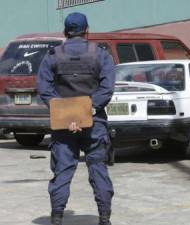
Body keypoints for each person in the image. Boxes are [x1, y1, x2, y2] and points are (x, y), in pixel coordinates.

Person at [37, 12, 115, 225]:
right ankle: (104, 218)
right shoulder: (100, 54)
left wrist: (66, 113)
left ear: (65, 32)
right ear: (87, 30)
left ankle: (56, 218)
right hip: (94, 122)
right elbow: (107, 88)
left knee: (63, 170)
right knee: (98, 168)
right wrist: (88, 110)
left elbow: (44, 89)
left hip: (63, 126)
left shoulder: (52, 55)